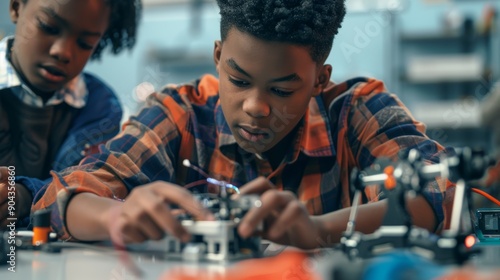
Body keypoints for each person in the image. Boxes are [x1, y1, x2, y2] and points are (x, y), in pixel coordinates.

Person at [32, 0, 451, 249]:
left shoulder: (357, 112)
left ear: (319, 80)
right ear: (218, 56)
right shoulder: (182, 114)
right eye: (239, 80)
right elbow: (58, 198)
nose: (256, 107)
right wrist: (113, 218)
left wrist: (318, 230)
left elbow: (444, 200)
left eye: (283, 91)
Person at [0, 0, 142, 228]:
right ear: (16, 7)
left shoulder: (101, 108)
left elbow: (90, 184)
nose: (62, 52)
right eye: (48, 27)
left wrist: (27, 196)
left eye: (85, 44)